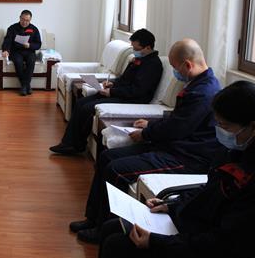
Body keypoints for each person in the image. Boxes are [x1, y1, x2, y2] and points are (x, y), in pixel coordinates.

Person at [97, 81, 255, 258]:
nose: (220, 131)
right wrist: (173, 205)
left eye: (225, 126)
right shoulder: (240, 148)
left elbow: (227, 244)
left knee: (117, 246)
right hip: (204, 225)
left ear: (253, 127)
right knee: (111, 227)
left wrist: (156, 242)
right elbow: (212, 188)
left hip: (217, 248)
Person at [69, 39, 222, 244]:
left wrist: (146, 133)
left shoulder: (203, 92)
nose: (175, 74)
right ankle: (93, 218)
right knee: (106, 157)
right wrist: (151, 124)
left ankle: (103, 229)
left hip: (187, 157)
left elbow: (177, 128)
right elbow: (178, 119)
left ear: (187, 65)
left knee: (116, 170)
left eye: (176, 68)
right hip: (174, 146)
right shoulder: (198, 84)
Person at [50, 29, 163, 155]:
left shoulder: (153, 65)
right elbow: (124, 79)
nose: (134, 51)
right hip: (121, 93)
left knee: (88, 108)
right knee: (81, 103)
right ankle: (69, 143)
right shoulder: (139, 59)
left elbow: (137, 91)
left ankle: (76, 145)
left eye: (136, 48)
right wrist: (112, 84)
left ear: (147, 47)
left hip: (132, 99)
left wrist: (112, 92)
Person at [1, 10, 42, 96]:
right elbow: (7, 41)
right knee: (18, 62)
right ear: (20, 18)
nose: (24, 22)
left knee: (31, 61)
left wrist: (30, 45)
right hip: (16, 51)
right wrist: (6, 50)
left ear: (30, 20)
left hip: (29, 51)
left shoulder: (34, 29)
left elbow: (38, 44)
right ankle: (26, 86)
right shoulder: (12, 28)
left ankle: (24, 86)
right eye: (23, 19)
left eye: (27, 20)